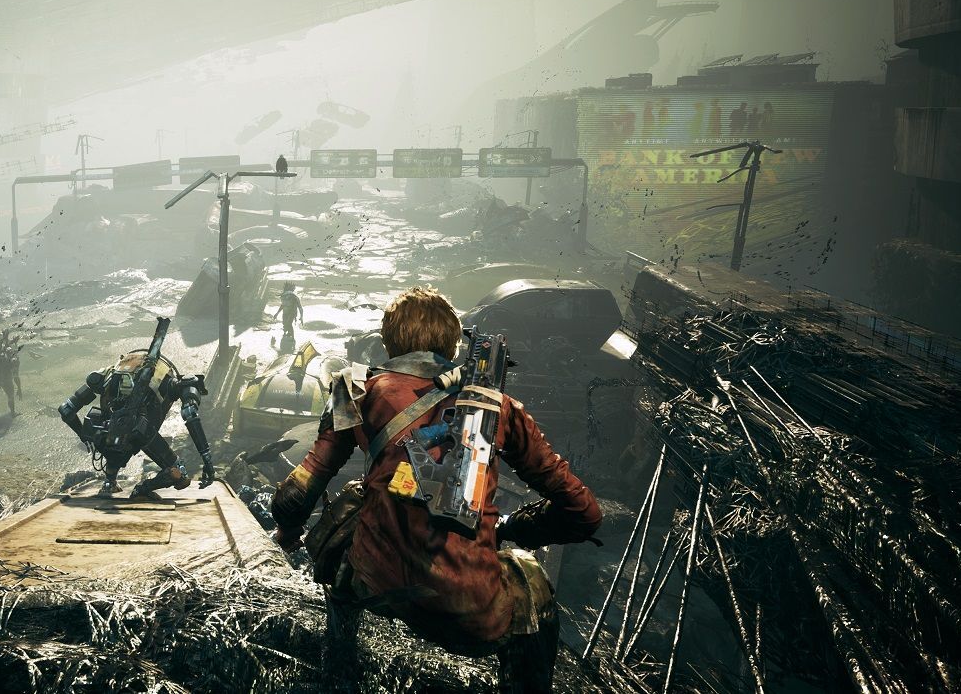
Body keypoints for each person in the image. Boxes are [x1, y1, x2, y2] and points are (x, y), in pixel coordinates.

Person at [270, 285, 602, 693]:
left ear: (389, 341)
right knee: (532, 582)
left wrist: (288, 531)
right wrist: (511, 530)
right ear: (452, 343)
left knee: (347, 519)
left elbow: (298, 493)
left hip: (374, 583)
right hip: (469, 606)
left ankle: (340, 670)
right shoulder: (499, 409)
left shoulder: (357, 391)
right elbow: (585, 513)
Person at [58, 318, 215, 499]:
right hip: (141, 432)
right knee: (179, 473)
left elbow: (66, 409)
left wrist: (85, 437)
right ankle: (142, 489)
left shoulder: (107, 374)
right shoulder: (165, 381)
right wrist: (207, 459)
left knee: (113, 445)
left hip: (106, 434)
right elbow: (190, 413)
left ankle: (109, 481)